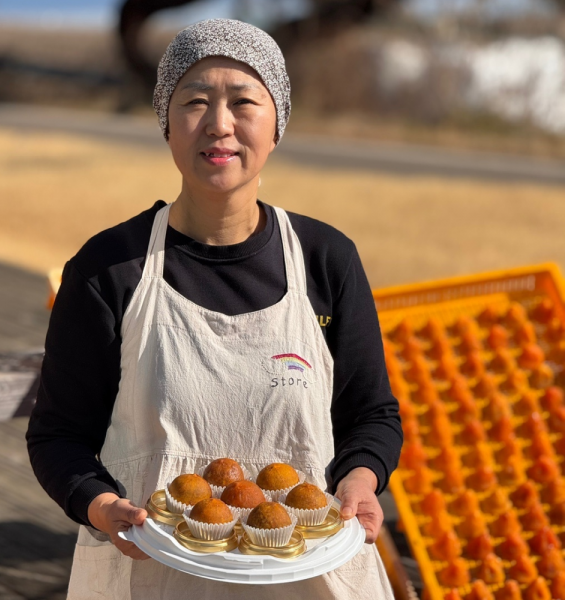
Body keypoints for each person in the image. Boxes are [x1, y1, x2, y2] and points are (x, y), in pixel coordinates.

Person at [27, 18, 402, 600]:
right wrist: (101, 507)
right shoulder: (110, 269)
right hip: (149, 572)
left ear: (277, 123)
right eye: (195, 101)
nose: (219, 124)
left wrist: (360, 477)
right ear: (167, 125)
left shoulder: (328, 260)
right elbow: (58, 434)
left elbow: (372, 415)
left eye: (244, 101)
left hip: (311, 577)